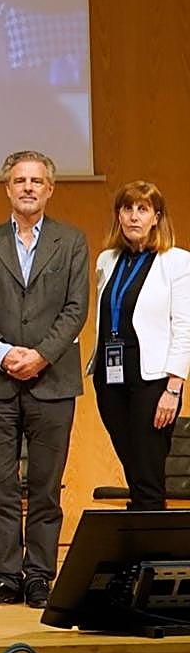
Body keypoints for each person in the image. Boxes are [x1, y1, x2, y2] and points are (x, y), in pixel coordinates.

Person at [0, 151, 88, 610]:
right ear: (8, 189)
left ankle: (39, 577)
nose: (28, 187)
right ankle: (6, 576)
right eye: (20, 180)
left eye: (36, 180)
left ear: (49, 189)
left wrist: (40, 355)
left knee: (46, 487)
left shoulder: (71, 242)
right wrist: (1, 352)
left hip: (53, 382)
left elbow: (76, 308)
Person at [88, 181, 190, 511]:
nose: (134, 217)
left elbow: (184, 327)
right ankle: (138, 552)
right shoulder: (107, 259)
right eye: (127, 209)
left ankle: (154, 557)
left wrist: (174, 389)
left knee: (148, 477)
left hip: (154, 380)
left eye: (142, 210)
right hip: (110, 377)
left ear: (157, 217)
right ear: (118, 215)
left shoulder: (176, 262)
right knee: (134, 471)